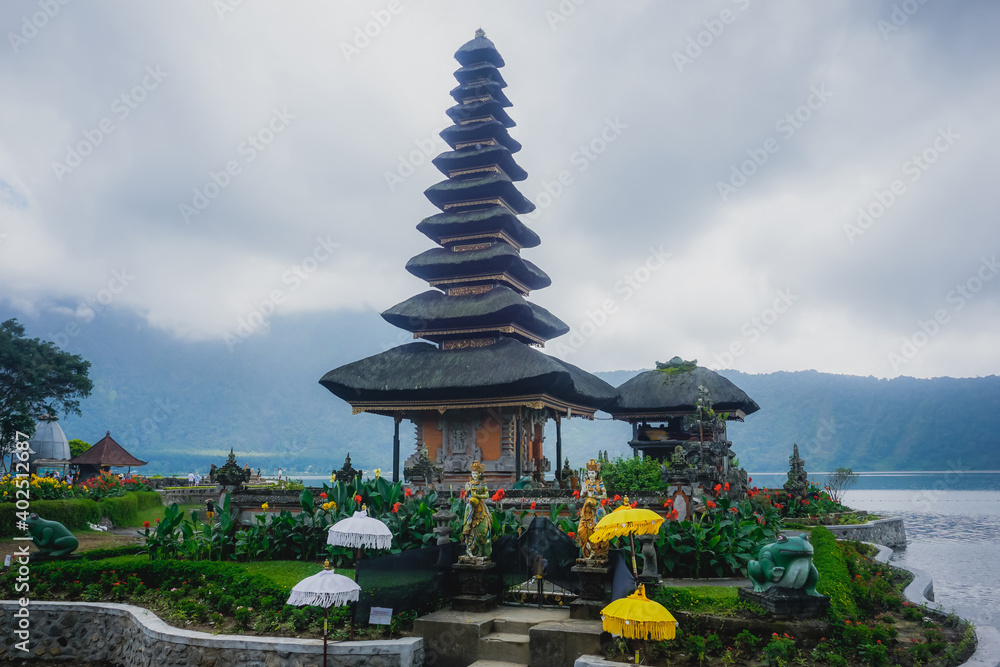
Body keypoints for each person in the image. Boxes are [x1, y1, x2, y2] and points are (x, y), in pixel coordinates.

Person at [577, 458, 609, 561]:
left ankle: (598, 552)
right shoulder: (585, 483)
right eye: (589, 472)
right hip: (587, 510)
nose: (590, 475)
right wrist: (583, 491)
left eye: (592, 473)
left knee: (597, 530)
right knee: (582, 530)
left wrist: (595, 496)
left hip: (597, 509)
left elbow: (604, 495)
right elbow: (582, 495)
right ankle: (588, 552)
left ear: (596, 473)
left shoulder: (600, 483)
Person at [461, 460, 492, 559]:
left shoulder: (482, 484)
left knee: (482, 530)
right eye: (473, 473)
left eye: (476, 473)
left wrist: (477, 495)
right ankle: (469, 549)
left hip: (480, 507)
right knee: (469, 529)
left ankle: (481, 551)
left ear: (480, 474)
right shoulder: (469, 484)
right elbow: (465, 495)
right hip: (470, 509)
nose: (474, 475)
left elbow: (486, 495)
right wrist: (468, 491)